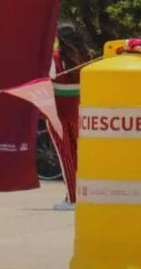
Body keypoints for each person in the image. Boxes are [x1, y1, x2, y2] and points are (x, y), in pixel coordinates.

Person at [47, 22, 93, 211]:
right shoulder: (87, 57)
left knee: (66, 157)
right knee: (81, 156)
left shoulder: (53, 58)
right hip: (80, 111)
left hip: (58, 113)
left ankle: (73, 198)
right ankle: (86, 195)